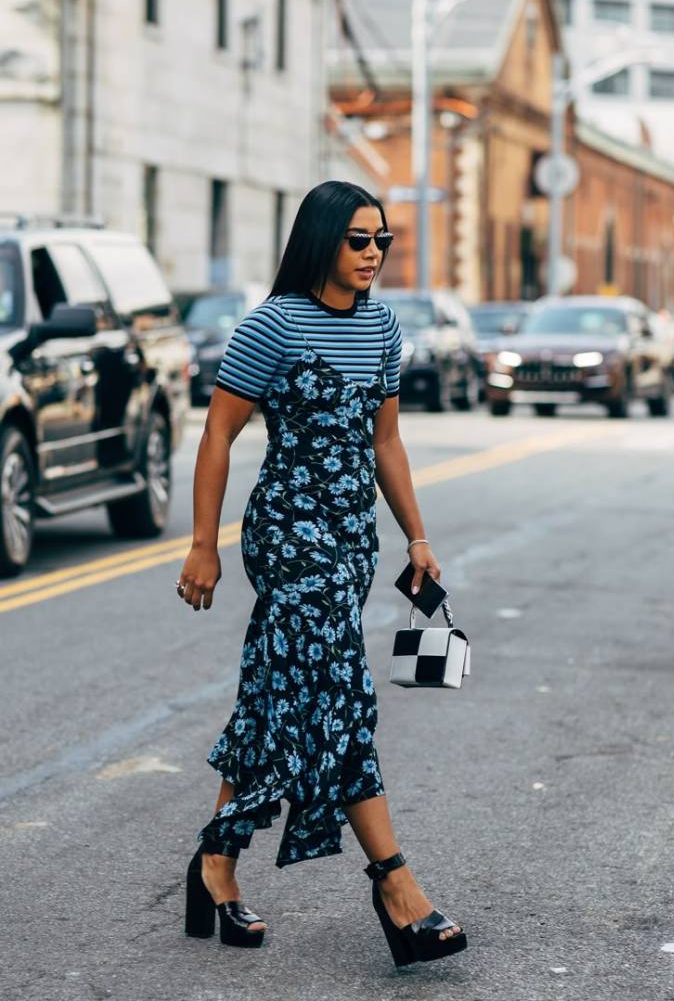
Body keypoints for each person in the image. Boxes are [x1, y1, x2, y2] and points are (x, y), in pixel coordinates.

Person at [177, 180, 467, 967]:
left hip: (348, 540)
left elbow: (386, 443)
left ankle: (215, 867)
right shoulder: (272, 325)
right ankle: (395, 884)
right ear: (321, 241)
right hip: (287, 534)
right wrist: (204, 543)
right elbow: (216, 436)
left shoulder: (379, 327)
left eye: (382, 241)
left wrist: (416, 537)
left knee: (278, 692)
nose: (372, 254)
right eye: (358, 240)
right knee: (339, 690)